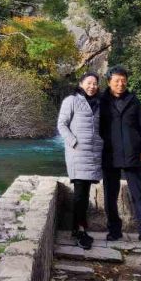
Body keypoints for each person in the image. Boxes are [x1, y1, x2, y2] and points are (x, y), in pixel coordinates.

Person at [99, 66, 141, 244]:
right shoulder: (101, 101)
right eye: (116, 80)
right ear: (109, 82)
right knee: (110, 194)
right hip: (109, 154)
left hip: (133, 153)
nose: (120, 84)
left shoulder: (133, 100)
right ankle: (114, 230)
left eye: (123, 80)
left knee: (138, 194)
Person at [57, 72, 103, 250]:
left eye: (95, 84)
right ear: (81, 83)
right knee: (79, 194)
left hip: (93, 154)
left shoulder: (99, 102)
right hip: (78, 153)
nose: (92, 86)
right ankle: (78, 231)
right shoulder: (71, 100)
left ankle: (80, 230)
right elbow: (62, 124)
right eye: (89, 83)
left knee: (84, 193)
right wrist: (74, 142)